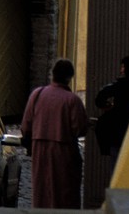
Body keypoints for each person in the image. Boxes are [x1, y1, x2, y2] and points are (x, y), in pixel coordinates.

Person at [21, 58, 89, 209]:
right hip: (64, 152)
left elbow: (26, 126)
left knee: (41, 192)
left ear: (53, 74)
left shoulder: (37, 95)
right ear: (69, 78)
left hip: (40, 151)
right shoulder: (72, 100)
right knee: (65, 194)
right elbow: (80, 128)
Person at [93, 56, 129, 164]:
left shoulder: (118, 86)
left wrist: (108, 106)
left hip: (117, 135)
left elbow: (100, 98)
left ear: (124, 69)